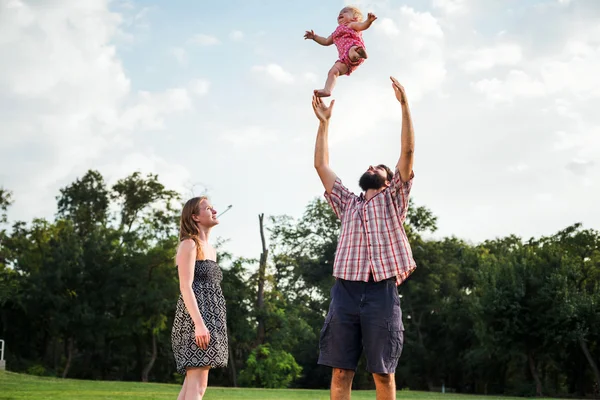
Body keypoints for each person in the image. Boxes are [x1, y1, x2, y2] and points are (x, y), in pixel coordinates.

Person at [311, 76, 416, 400]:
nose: (372, 166)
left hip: (381, 292)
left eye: (380, 167)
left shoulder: (393, 199)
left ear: (387, 181)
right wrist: (324, 123)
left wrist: (404, 106)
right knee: (341, 370)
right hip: (346, 290)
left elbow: (408, 150)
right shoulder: (348, 203)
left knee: (382, 372)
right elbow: (321, 164)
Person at [171, 196, 228, 400]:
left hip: (210, 320)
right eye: (208, 208)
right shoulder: (189, 245)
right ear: (195, 216)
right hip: (196, 321)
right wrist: (199, 324)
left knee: (191, 386)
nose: (214, 210)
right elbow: (185, 287)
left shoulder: (211, 250)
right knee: (198, 385)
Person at [304, 6, 377, 97]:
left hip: (352, 47)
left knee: (352, 50)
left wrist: (368, 21)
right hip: (344, 61)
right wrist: (315, 37)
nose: (340, 14)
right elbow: (326, 41)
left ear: (354, 18)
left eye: (345, 12)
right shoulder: (335, 33)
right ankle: (327, 90)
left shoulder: (351, 24)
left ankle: (358, 53)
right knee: (333, 72)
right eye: (339, 13)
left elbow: (362, 26)